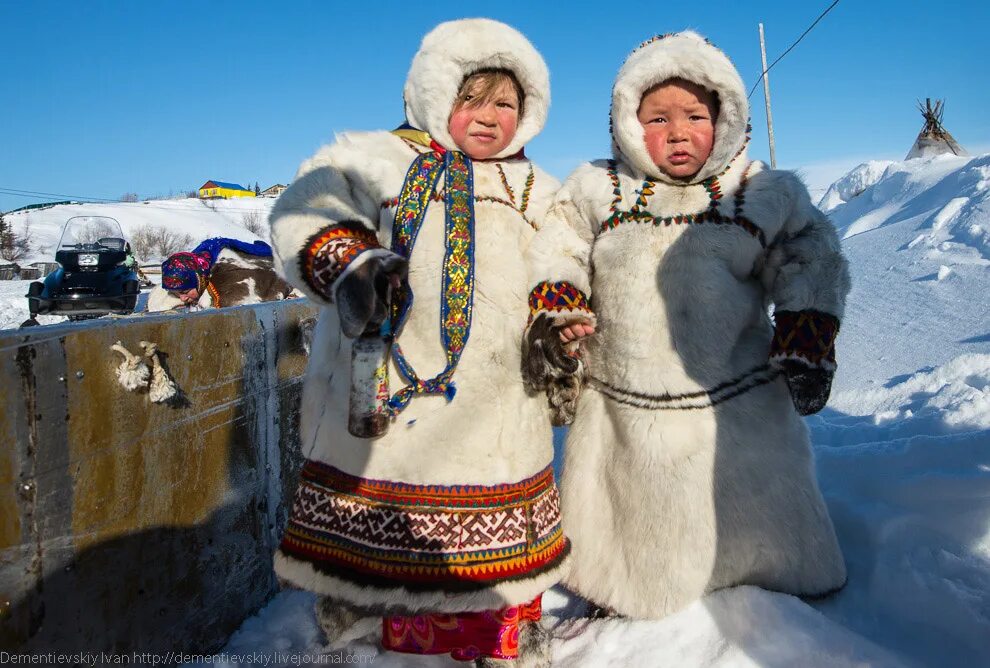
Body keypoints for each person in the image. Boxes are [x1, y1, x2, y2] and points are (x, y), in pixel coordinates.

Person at [269, 19, 567, 667]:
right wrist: (343, 260)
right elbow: (309, 200)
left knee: (495, 537)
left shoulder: (535, 188)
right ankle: (360, 613)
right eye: (473, 98)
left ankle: (503, 626)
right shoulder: (377, 158)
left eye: (506, 104)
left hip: (498, 400)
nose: (490, 117)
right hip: (386, 387)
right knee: (376, 514)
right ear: (437, 94)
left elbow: (570, 255)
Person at [523, 31, 850, 619]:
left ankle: (779, 577)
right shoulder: (597, 190)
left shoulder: (757, 192)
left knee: (758, 521)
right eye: (657, 117)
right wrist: (559, 309)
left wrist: (806, 331)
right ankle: (624, 593)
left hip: (738, 401)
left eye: (695, 115)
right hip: (627, 407)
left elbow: (812, 253)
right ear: (626, 121)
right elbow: (559, 247)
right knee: (637, 532)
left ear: (725, 118)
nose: (677, 132)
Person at [147, 237, 298, 311]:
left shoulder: (230, 282)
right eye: (177, 294)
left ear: (199, 280)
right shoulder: (192, 266)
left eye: (185, 292)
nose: (183, 298)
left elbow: (270, 286)